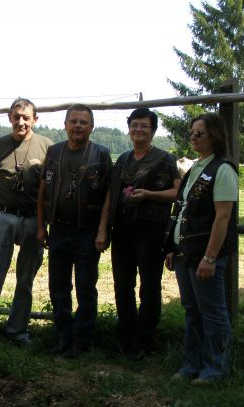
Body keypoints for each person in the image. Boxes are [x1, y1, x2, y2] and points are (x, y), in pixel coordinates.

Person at [97, 108, 181, 359]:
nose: (138, 130)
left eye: (144, 126)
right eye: (134, 125)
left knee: (149, 286)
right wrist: (103, 228)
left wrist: (149, 195)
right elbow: (111, 195)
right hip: (122, 229)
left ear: (153, 130)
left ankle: (145, 339)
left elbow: (177, 193)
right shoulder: (122, 159)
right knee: (122, 285)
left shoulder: (166, 159)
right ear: (129, 128)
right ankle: (125, 337)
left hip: (151, 230)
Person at [0, 98, 53, 347]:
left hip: (33, 220)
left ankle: (18, 330)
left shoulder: (48, 148)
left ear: (35, 120)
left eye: (26, 117)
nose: (21, 121)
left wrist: (45, 224)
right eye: (16, 116)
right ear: (9, 118)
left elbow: (50, 188)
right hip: (3, 217)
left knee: (26, 279)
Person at [164, 113, 238, 384]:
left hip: (204, 254)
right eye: (192, 132)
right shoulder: (196, 167)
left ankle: (215, 370)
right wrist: (173, 247)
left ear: (215, 136)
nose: (193, 137)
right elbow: (183, 210)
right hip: (186, 252)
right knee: (192, 311)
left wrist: (210, 256)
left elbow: (223, 217)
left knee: (212, 312)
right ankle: (191, 366)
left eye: (200, 133)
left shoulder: (223, 169)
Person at [38, 104, 112, 358]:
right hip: (58, 230)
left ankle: (82, 341)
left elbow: (108, 197)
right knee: (58, 288)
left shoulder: (101, 154)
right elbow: (42, 191)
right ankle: (62, 338)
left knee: (85, 288)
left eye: (84, 122)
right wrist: (41, 226)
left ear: (91, 127)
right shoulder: (54, 152)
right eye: (74, 121)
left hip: (88, 233)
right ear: (66, 125)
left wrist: (102, 231)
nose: (78, 126)